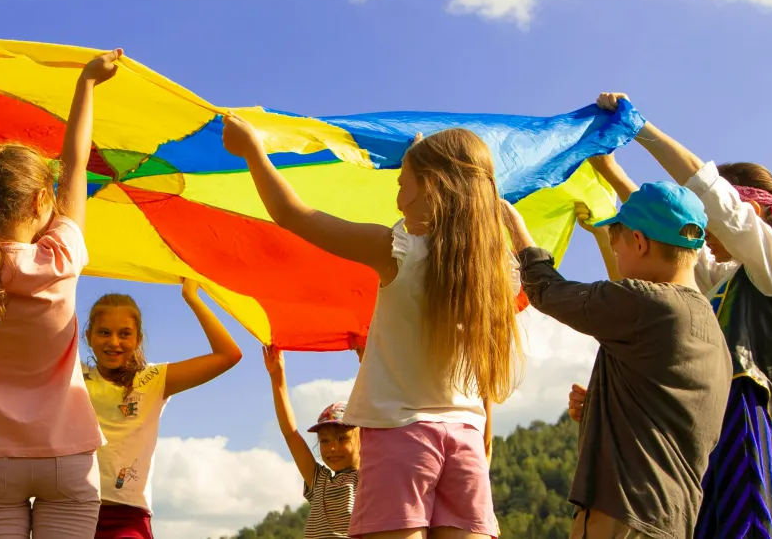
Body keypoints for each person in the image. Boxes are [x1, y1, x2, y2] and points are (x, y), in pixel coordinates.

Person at [222, 118, 520, 539]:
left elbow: (294, 215)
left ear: (432, 187)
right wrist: (429, 164)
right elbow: (525, 253)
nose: (398, 200)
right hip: (466, 440)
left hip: (402, 438)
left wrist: (252, 150)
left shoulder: (400, 252)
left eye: (402, 184)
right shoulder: (495, 272)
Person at [597, 92, 772, 538]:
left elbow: (707, 190)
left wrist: (642, 131)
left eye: (710, 221)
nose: (704, 234)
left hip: (744, 430)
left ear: (751, 212)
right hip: (706, 430)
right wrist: (610, 170)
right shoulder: (728, 278)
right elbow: (670, 233)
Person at [0, 31, 122, 538]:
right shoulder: (61, 256)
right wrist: (87, 84)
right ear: (44, 202)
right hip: (69, 457)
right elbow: (77, 164)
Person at [502, 164, 732, 539]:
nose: (616, 259)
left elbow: (545, 290)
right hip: (672, 521)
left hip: (622, 516)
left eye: (617, 245)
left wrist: (514, 224)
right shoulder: (709, 327)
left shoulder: (648, 303)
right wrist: (602, 406)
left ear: (640, 242)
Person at [84, 280, 244, 539]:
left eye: (124, 333)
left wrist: (192, 297)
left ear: (138, 339)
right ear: (88, 337)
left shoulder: (153, 380)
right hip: (75, 510)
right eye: (104, 332)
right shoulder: (76, 375)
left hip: (128, 516)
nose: (114, 342)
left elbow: (229, 354)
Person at [265, 346, 361, 539]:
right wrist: (278, 378)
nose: (332, 448)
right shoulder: (319, 482)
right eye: (324, 441)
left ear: (364, 438)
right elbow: (291, 434)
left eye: (342, 438)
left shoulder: (370, 478)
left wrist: (366, 359)